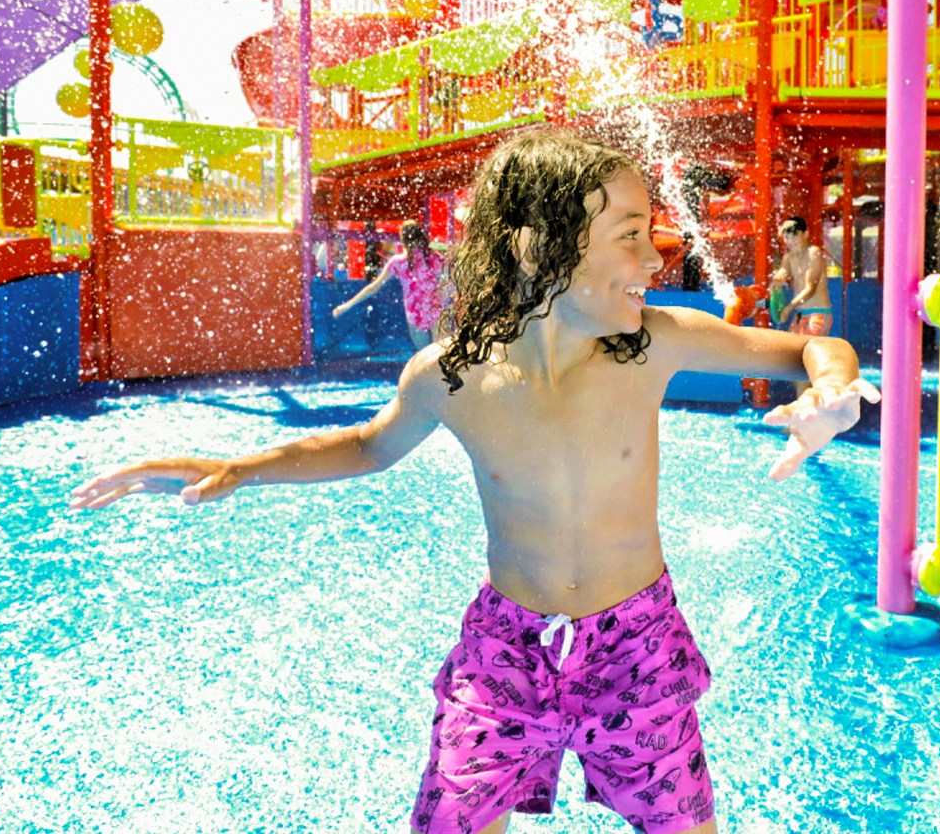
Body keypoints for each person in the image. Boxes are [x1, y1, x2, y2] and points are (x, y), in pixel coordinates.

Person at [71, 130, 880, 834]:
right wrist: (237, 467)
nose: (654, 255)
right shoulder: (451, 375)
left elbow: (807, 349)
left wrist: (832, 393)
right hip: (505, 654)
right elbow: (365, 446)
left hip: (636, 645)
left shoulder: (654, 343)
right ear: (538, 248)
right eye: (629, 236)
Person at [334, 222, 446, 350]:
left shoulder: (399, 262)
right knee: (442, 356)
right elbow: (451, 280)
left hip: (416, 315)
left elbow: (373, 288)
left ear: (403, 240)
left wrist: (346, 305)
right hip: (436, 311)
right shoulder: (435, 258)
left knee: (424, 360)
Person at [769, 216, 834, 396]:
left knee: (802, 360)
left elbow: (810, 288)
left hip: (818, 313)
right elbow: (783, 271)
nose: (790, 242)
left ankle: (806, 406)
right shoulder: (789, 256)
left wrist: (788, 308)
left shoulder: (814, 253)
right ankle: (814, 398)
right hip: (801, 315)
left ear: (805, 234)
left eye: (794, 236)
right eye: (787, 238)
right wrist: (779, 279)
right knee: (791, 359)